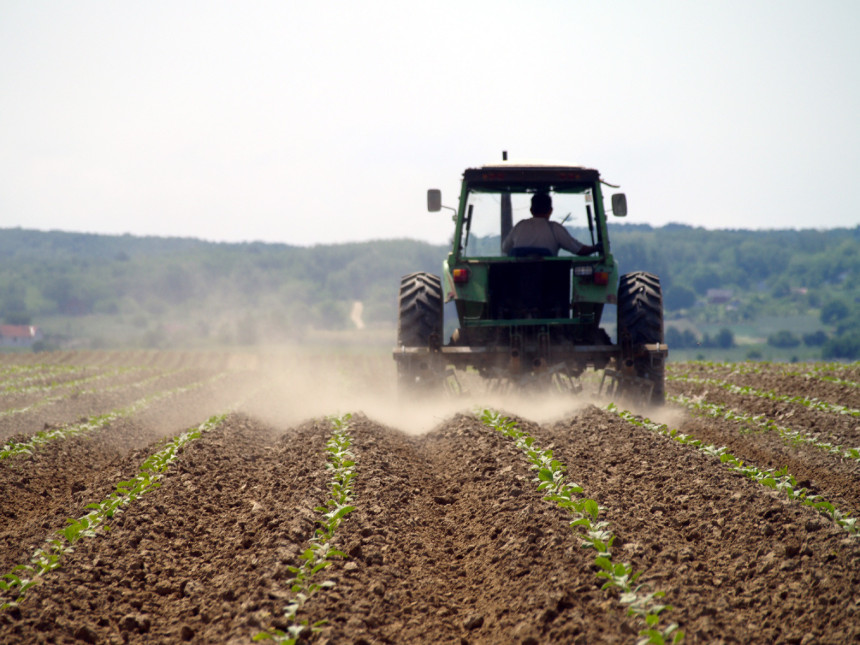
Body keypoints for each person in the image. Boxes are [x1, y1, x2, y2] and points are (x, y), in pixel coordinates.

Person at [501, 192, 598, 256]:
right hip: (547, 282)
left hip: (516, 282)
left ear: (531, 210)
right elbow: (579, 250)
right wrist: (596, 248)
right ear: (550, 210)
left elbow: (505, 248)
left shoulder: (520, 226)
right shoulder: (555, 229)